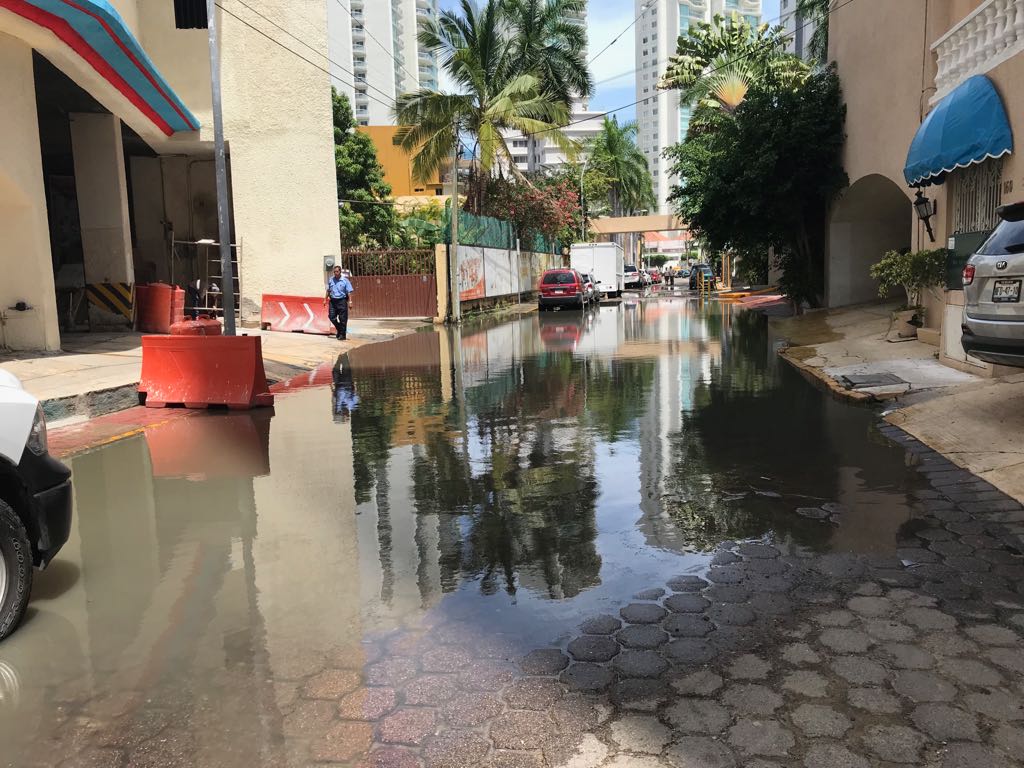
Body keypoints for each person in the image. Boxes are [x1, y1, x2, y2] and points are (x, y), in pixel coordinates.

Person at [324, 265, 355, 340]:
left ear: (340, 272)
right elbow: (328, 290)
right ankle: (340, 329)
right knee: (331, 317)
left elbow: (349, 292)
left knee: (343, 319)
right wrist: (325, 299)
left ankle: (342, 335)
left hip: (342, 301)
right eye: (334, 272)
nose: (335, 273)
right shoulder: (331, 280)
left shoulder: (345, 280)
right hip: (333, 301)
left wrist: (350, 301)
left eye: (337, 271)